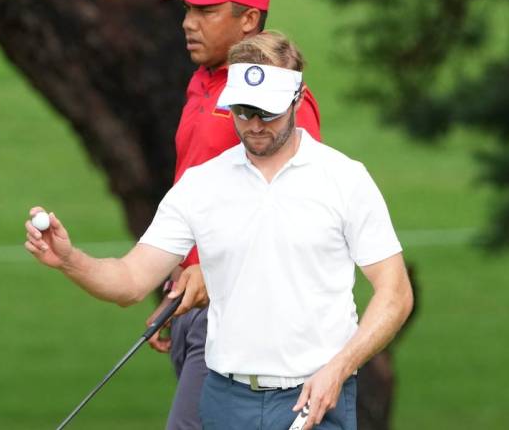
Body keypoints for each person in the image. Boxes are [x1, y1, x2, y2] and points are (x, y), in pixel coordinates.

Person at [25, 31, 413, 429]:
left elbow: (395, 293)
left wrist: (339, 367)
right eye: (243, 111)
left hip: (317, 397)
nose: (255, 125)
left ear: (298, 99)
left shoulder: (344, 179)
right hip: (226, 402)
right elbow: (130, 282)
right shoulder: (201, 185)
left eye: (268, 111)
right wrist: (69, 260)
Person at [148, 0, 321, 428]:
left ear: (249, 20)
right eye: (187, 9)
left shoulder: (280, 100)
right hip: (194, 307)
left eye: (205, 10)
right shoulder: (202, 85)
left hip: (242, 314)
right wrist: (175, 286)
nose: (189, 22)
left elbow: (304, 205)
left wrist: (214, 267)